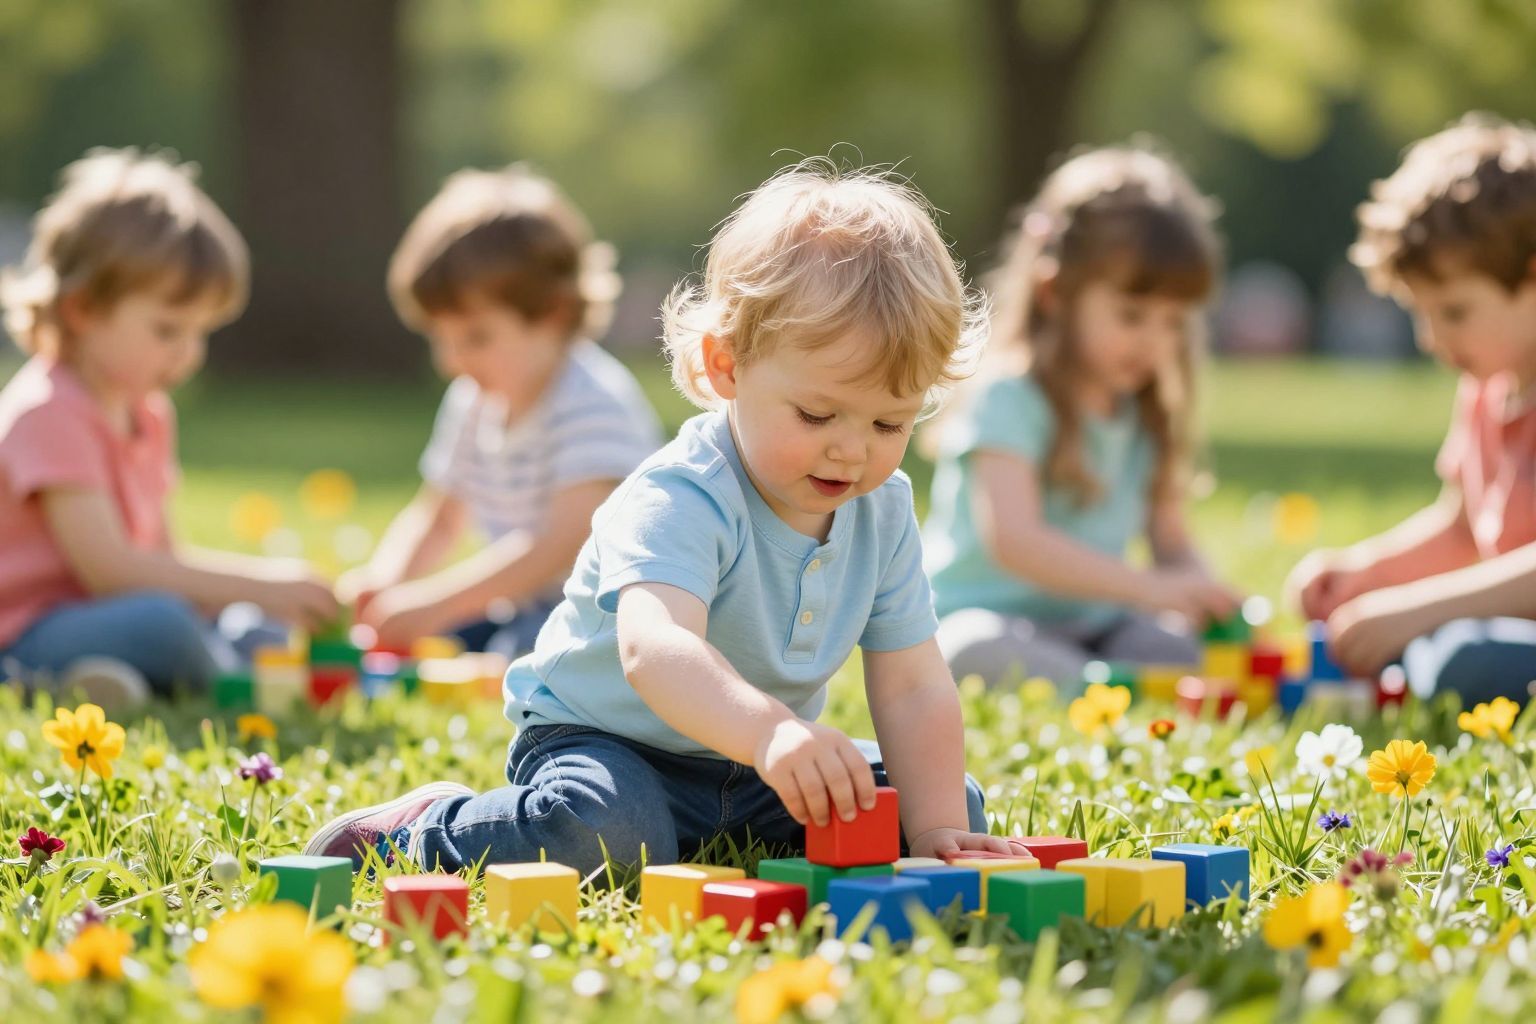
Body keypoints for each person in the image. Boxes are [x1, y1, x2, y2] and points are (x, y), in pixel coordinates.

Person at [306, 160, 1014, 876]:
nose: (852, 450)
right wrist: (770, 730)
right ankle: (424, 829)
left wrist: (936, 833)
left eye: (891, 423)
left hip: (751, 765)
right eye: (817, 413)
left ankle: (716, 835)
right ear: (726, 367)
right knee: (607, 832)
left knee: (948, 802)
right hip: (607, 743)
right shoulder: (683, 492)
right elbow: (657, 648)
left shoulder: (881, 510)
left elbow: (915, 683)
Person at [0, 149, 337, 707]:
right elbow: (111, 571)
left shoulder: (148, 411)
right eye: (168, 330)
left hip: (106, 621)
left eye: (201, 332)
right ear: (83, 309)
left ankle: (120, 681)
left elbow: (164, 558)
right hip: (25, 633)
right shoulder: (48, 411)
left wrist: (253, 602)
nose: (189, 354)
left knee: (250, 625)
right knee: (165, 625)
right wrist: (260, 582)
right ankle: (210, 673)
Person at [923, 145, 1240, 688]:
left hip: (1097, 624)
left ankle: (1105, 682)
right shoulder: (1010, 396)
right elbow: (1015, 540)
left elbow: (1171, 541)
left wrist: (1205, 594)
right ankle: (1108, 689)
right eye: (1131, 315)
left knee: (1175, 647)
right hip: (990, 616)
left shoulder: (1145, 413)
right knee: (971, 649)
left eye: (1172, 322)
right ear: (1056, 294)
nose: (1154, 341)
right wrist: (1147, 588)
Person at [340, 165, 661, 656]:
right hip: (522, 605)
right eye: (439, 338)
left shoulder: (592, 403)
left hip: (609, 617)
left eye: (476, 337)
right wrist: (387, 584)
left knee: (522, 649)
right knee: (445, 639)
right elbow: (439, 517)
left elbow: (556, 546)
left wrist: (432, 602)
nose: (451, 360)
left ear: (553, 315)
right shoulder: (475, 400)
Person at [1288, 114, 1536, 703]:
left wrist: (1418, 610)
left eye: (1453, 312)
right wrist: (1362, 574)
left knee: (1465, 661)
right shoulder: (1485, 389)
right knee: (1433, 650)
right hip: (1503, 629)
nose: (1431, 340)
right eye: (1418, 313)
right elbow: (1459, 529)